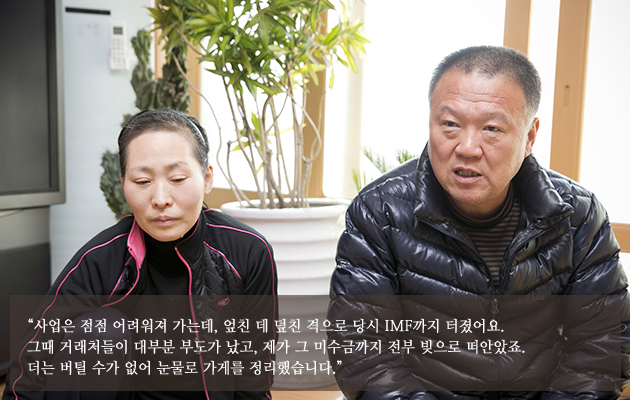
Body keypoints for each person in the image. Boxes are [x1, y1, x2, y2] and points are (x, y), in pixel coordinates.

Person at [327, 46, 630, 399]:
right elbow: (363, 352)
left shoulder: (577, 215)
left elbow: (603, 346)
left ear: (529, 137)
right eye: (450, 124)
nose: (467, 148)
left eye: (491, 128)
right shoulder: (379, 212)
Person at [4, 109, 277, 400]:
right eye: (143, 181)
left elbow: (254, 371)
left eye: (178, 178)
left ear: (207, 178)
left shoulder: (248, 251)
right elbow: (33, 355)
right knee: (102, 329)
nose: (161, 199)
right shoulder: (102, 258)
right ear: (123, 183)